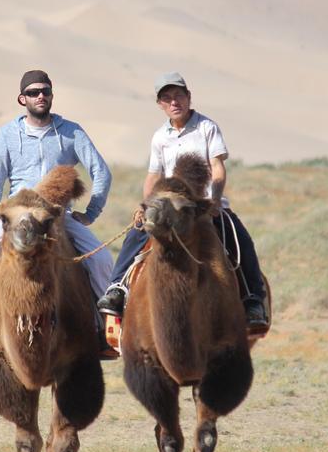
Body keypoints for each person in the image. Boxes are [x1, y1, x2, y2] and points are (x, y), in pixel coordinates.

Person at [0, 70, 116, 358]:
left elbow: (101, 172)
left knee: (103, 260)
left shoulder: (71, 132)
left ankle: (105, 326)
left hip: (54, 216)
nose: (40, 96)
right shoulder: (7, 134)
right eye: (33, 92)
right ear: (22, 99)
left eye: (45, 91)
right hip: (17, 215)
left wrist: (90, 213)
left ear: (52, 95)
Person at [96, 72, 271, 336]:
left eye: (178, 95)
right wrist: (145, 205)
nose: (174, 102)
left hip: (203, 205)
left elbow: (218, 168)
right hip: (168, 207)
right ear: (160, 105)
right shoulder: (159, 137)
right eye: (167, 98)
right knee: (136, 232)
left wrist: (213, 199)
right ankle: (117, 289)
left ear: (189, 97)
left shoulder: (206, 128)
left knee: (239, 239)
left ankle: (252, 300)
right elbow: (154, 176)